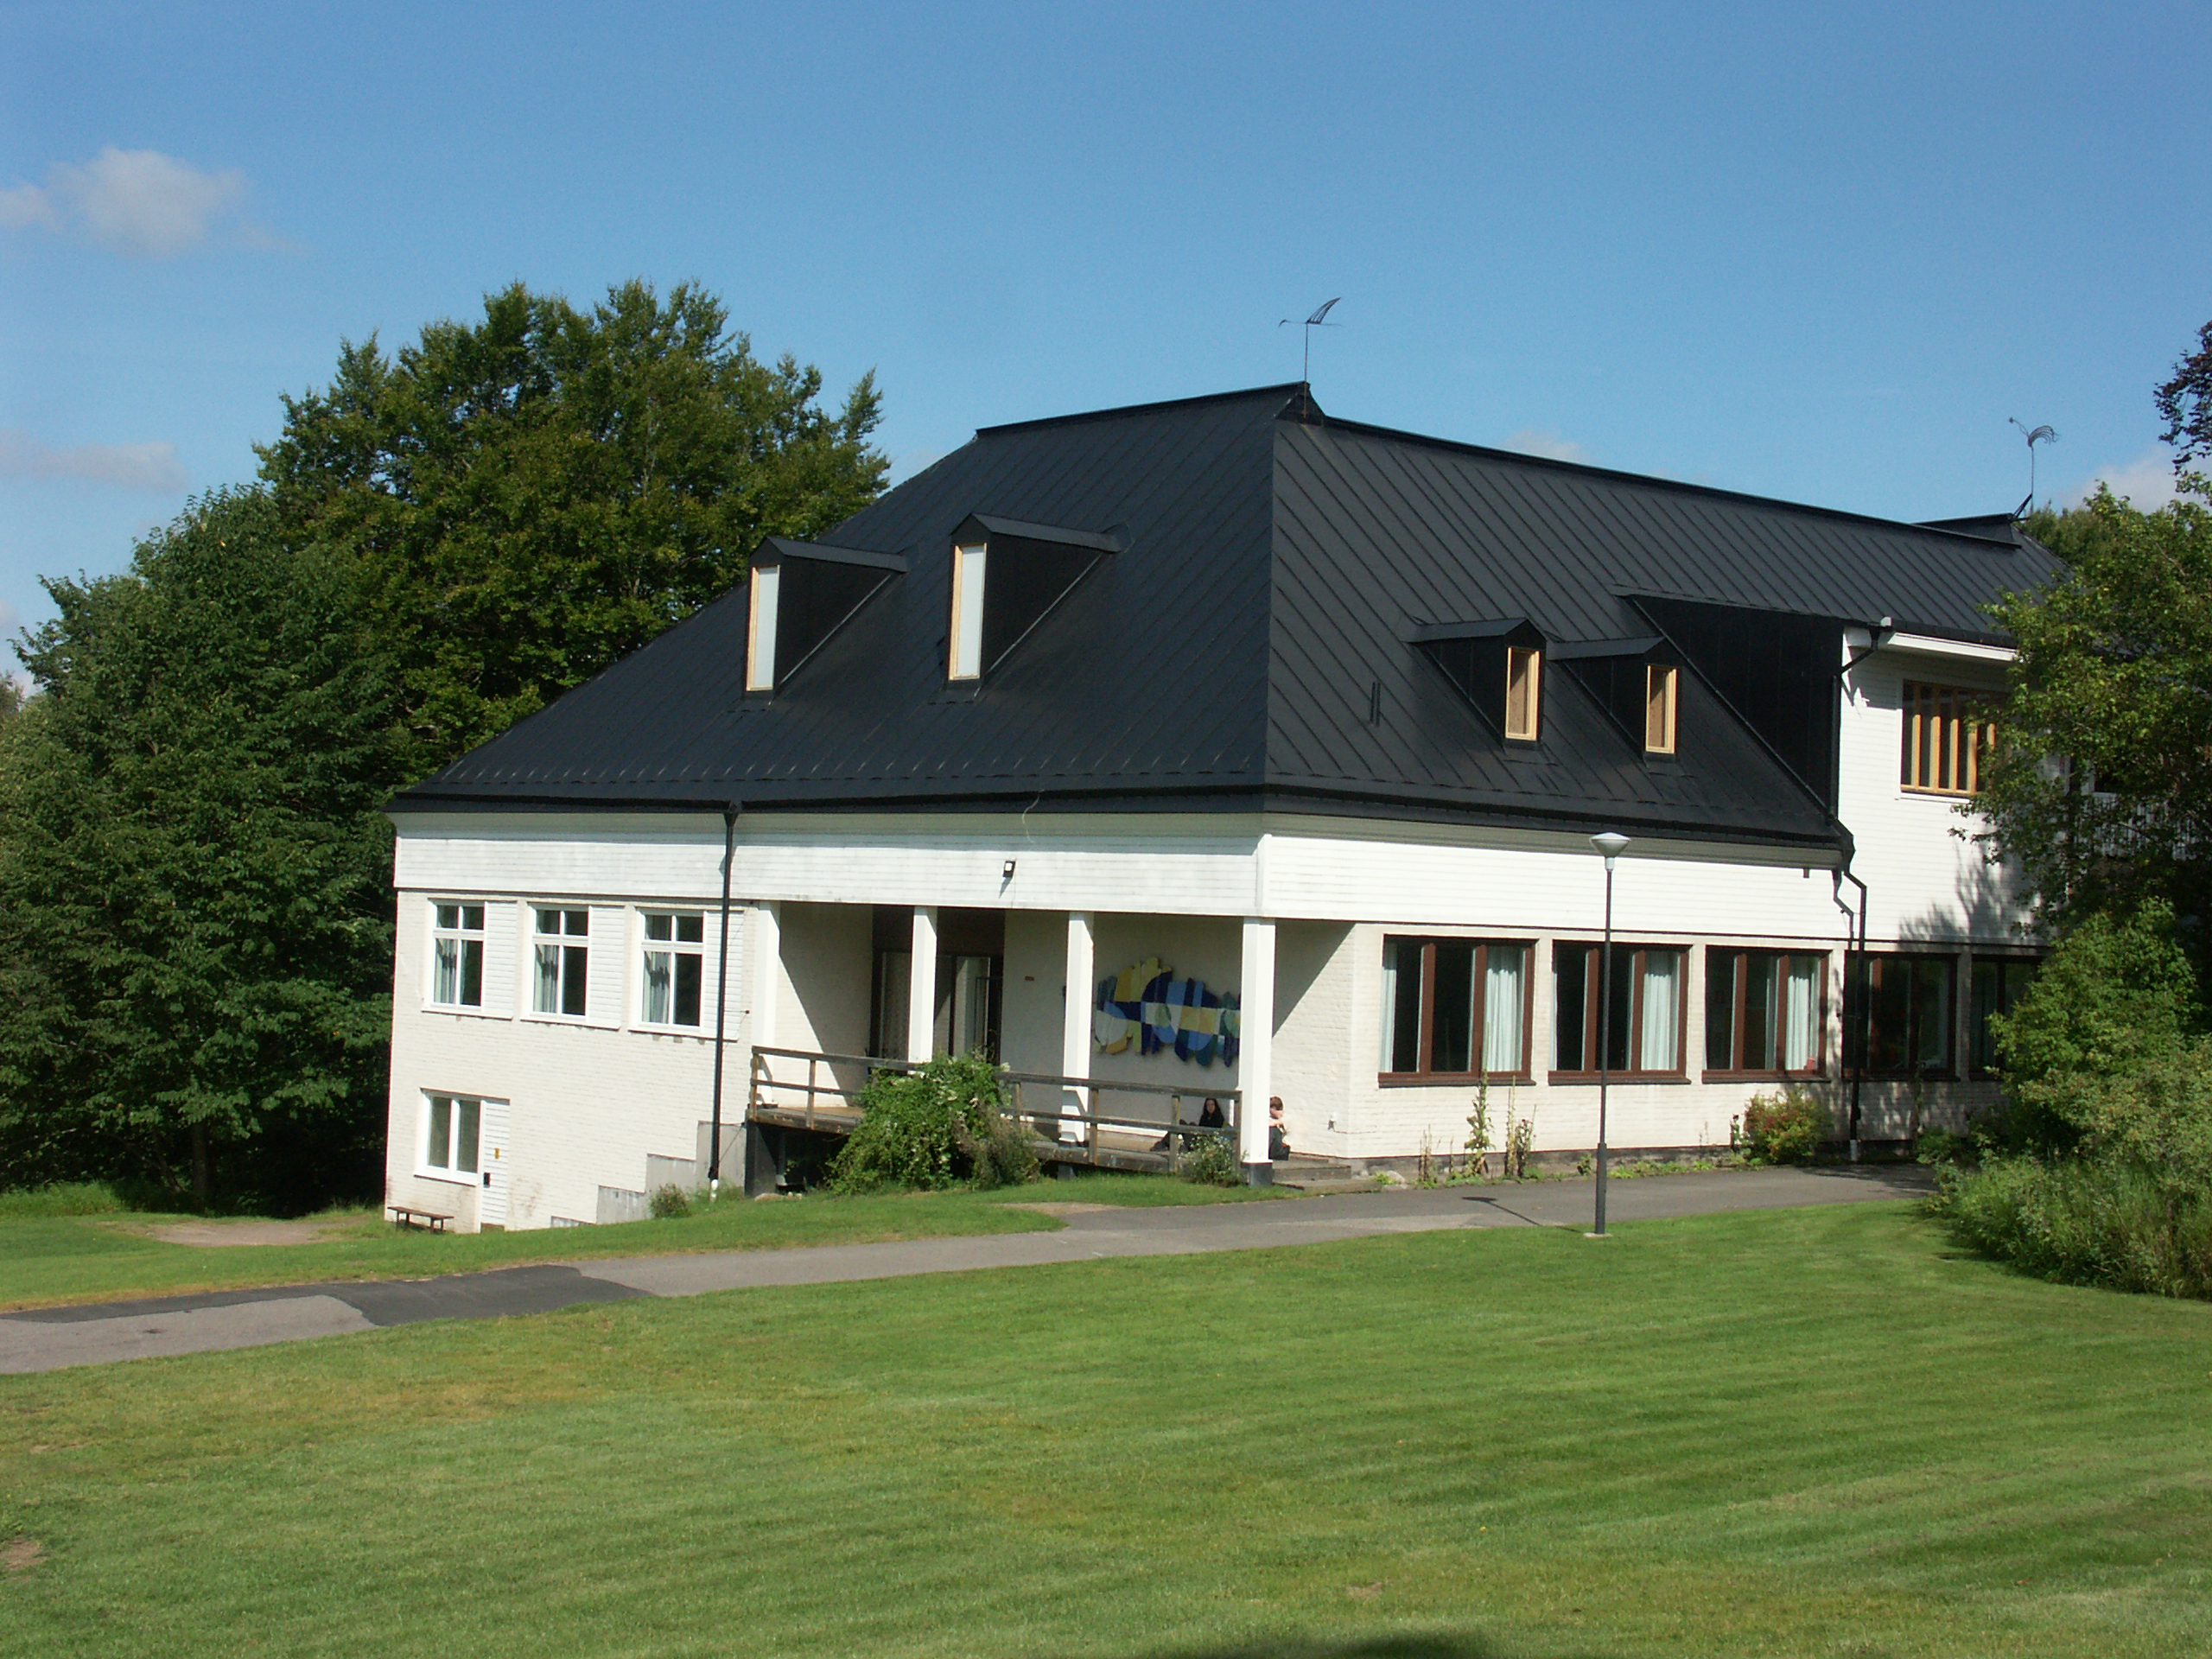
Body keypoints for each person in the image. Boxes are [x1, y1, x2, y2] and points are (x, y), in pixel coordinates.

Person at [1268, 1096, 1290, 1161]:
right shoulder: (1271, 1118)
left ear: (1273, 1108)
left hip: (1282, 1150)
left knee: (1273, 1130)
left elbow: (1274, 1123)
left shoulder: (1287, 1118)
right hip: (1274, 1148)